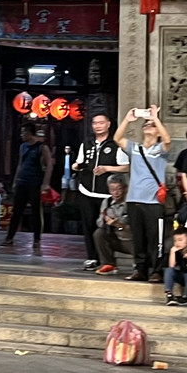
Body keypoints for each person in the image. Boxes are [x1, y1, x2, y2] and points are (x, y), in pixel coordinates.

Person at [115, 108, 170, 283]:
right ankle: (140, 269)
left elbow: (167, 140)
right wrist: (127, 119)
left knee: (155, 238)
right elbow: (117, 138)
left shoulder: (160, 149)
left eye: (152, 126)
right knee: (137, 237)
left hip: (153, 201)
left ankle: (156, 270)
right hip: (134, 199)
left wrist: (155, 118)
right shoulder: (135, 148)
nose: (148, 126)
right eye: (146, 124)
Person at [72, 113, 125, 272]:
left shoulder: (116, 144)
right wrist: (76, 166)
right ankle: (92, 257)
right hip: (87, 190)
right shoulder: (87, 143)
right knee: (88, 225)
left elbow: (127, 166)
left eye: (101, 123)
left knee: (106, 227)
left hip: (107, 194)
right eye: (95, 123)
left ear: (108, 124)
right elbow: (80, 162)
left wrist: (107, 168)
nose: (98, 126)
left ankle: (108, 260)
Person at [1, 123, 51, 254]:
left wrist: (45, 183)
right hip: (22, 181)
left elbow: (49, 165)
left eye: (24, 132)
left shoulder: (41, 147)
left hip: (35, 182)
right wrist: (15, 180)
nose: (22, 135)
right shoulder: (23, 146)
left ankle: (37, 239)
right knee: (16, 211)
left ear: (30, 133)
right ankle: (9, 237)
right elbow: (20, 164)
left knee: (36, 212)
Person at [92, 175, 132, 275]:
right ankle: (109, 264)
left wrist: (119, 225)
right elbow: (99, 224)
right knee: (99, 233)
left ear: (125, 188)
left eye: (119, 189)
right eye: (112, 190)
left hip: (132, 241)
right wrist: (104, 219)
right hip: (116, 239)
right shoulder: (107, 202)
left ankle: (141, 266)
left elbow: (137, 228)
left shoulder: (131, 203)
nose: (115, 193)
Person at [163, 225, 187, 306]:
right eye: (175, 240)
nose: (177, 243)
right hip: (183, 277)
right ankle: (169, 295)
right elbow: (171, 266)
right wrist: (172, 252)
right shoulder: (177, 251)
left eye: (180, 240)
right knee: (168, 270)